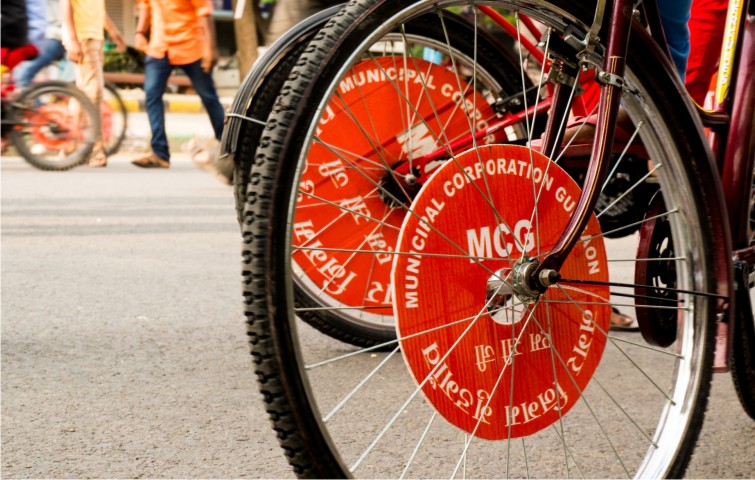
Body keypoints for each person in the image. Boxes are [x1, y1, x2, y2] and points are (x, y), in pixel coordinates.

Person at [131, 0, 225, 170]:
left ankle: (228, 149)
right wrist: (139, 32)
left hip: (191, 46)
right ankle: (160, 153)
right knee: (152, 95)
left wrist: (210, 48)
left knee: (208, 96)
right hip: (159, 47)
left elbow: (204, 13)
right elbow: (145, 5)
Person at [61, 0, 125, 167]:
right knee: (94, 92)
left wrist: (113, 30)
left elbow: (97, 8)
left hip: (95, 37)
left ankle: (70, 147)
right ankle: (96, 148)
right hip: (83, 37)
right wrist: (72, 38)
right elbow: (65, 3)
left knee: (82, 92)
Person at [14, 0, 67, 90]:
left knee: (22, 77)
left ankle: (31, 99)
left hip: (54, 37)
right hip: (45, 37)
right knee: (17, 73)